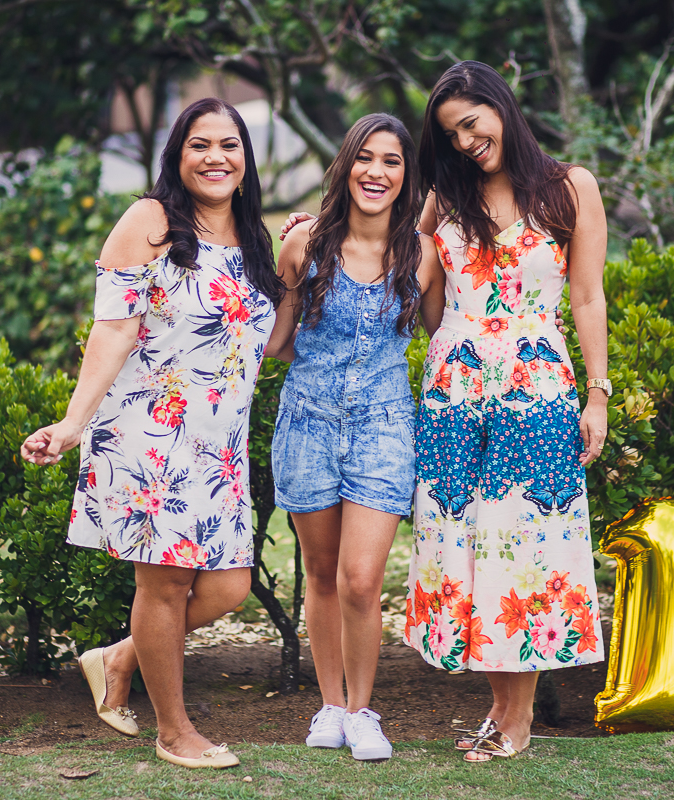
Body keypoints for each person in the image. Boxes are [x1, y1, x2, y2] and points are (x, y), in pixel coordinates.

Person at [20, 98, 285, 770]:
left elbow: (267, 343)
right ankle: (175, 731)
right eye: (200, 144)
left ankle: (117, 658)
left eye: (230, 145)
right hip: (153, 439)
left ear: (247, 159)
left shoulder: (255, 239)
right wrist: (72, 425)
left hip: (220, 451)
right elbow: (114, 328)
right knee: (164, 588)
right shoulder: (151, 221)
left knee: (227, 587)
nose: (216, 157)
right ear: (178, 154)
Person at [406, 60, 609, 762]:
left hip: (538, 392)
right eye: (450, 133)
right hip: (453, 393)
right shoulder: (444, 196)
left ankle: (516, 721)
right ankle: (500, 708)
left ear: (500, 106)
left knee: (522, 549)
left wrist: (599, 393)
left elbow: (586, 297)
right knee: (463, 548)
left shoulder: (568, 187)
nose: (464, 141)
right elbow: (416, 285)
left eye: (471, 123)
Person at [267, 113, 445, 761]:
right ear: (346, 167)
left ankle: (362, 710)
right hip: (307, 426)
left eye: (391, 161)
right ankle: (330, 707)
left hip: (384, 428)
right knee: (320, 573)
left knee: (362, 580)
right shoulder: (303, 245)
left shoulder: (424, 257)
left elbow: (443, 337)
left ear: (407, 176)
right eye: (365, 158)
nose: (377, 171)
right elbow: (278, 344)